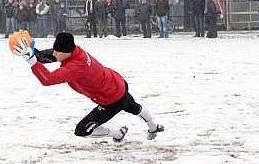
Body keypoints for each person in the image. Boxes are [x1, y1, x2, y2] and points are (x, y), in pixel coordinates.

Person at [14, 32, 164, 141]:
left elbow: (48, 79)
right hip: (117, 83)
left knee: (82, 131)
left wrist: (31, 60)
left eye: (56, 51)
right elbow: (50, 56)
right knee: (133, 106)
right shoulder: (74, 50)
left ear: (66, 52)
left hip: (112, 99)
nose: (54, 53)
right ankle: (153, 126)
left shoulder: (75, 67)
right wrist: (32, 51)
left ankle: (118, 134)